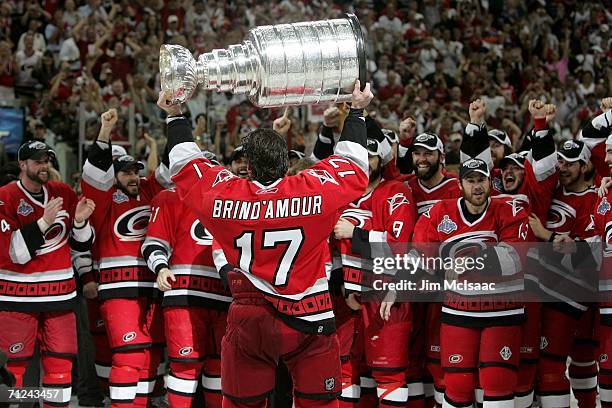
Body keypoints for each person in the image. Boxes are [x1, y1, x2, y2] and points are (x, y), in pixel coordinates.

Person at [157, 79, 373, 407]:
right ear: (286, 164)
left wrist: (174, 113)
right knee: (320, 402)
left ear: (249, 168)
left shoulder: (225, 194)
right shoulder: (310, 190)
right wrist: (356, 112)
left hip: (250, 317)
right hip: (309, 316)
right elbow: (354, 166)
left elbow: (185, 164)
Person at [413, 158, 529, 408]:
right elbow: (421, 254)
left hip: (502, 309)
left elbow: (515, 257)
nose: (477, 187)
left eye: (482, 180)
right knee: (457, 386)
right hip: (458, 310)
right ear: (460, 184)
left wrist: (468, 261)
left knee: (498, 382)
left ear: (490, 182)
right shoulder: (439, 212)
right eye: (471, 181)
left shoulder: (510, 209)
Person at [80, 109, 169, 407]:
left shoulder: (148, 190)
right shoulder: (104, 199)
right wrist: (105, 129)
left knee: (152, 355)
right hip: (118, 291)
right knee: (128, 355)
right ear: (113, 176)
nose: (133, 177)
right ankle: (115, 402)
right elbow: (93, 176)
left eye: (135, 171)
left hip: (152, 288)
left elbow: (169, 171)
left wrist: (169, 123)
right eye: (126, 172)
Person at [0, 141, 96, 407]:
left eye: (47, 160)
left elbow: (81, 244)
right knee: (14, 370)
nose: (44, 166)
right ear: (22, 164)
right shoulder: (5, 197)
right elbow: (13, 253)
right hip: (16, 299)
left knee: (60, 367)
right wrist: (44, 222)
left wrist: (79, 221)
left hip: (60, 298)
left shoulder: (62, 192)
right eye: (38, 161)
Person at [333, 133, 417, 408]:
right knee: (347, 368)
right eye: (360, 157)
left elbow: (398, 245)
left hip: (385, 293)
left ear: (380, 159)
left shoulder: (396, 193)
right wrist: (342, 284)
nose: (365, 163)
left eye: (370, 156)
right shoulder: (344, 196)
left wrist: (356, 233)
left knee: (388, 371)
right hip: (350, 297)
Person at [142, 186, 231, 407]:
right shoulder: (170, 197)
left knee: (219, 367)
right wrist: (161, 267)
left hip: (224, 297)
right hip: (184, 296)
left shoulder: (233, 196)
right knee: (185, 365)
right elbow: (154, 242)